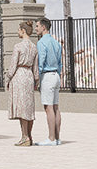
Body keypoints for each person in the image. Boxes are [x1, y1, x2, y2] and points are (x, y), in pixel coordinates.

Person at [5, 20, 38, 146]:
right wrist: (36, 80)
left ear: (23, 31)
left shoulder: (18, 46)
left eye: (19, 29)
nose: (17, 32)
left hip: (19, 75)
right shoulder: (34, 47)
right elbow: (35, 68)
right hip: (29, 75)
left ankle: (24, 137)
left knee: (22, 107)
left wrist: (8, 78)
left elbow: (13, 66)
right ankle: (29, 136)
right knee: (28, 107)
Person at [34, 18, 63, 146]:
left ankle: (51, 138)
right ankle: (57, 138)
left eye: (37, 26)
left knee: (48, 108)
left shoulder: (41, 43)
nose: (36, 29)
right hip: (56, 76)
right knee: (56, 107)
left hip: (47, 76)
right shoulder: (56, 43)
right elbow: (60, 63)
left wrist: (37, 79)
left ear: (43, 27)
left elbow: (40, 63)